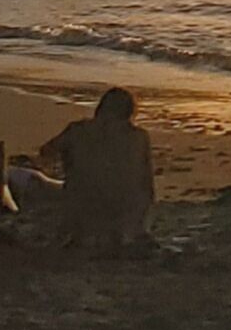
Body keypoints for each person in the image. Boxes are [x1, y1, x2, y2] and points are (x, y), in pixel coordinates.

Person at [52, 87, 156, 252]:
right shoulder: (139, 137)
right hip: (128, 215)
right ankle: (125, 231)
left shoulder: (78, 129)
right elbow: (147, 181)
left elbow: (47, 151)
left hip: (84, 207)